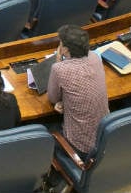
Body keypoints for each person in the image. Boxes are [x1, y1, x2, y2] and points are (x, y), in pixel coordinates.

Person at [47, 25, 110, 158]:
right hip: (104, 137)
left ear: (65, 49)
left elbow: (52, 98)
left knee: (44, 130)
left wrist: (58, 62)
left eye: (61, 43)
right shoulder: (95, 58)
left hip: (79, 145)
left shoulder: (59, 69)